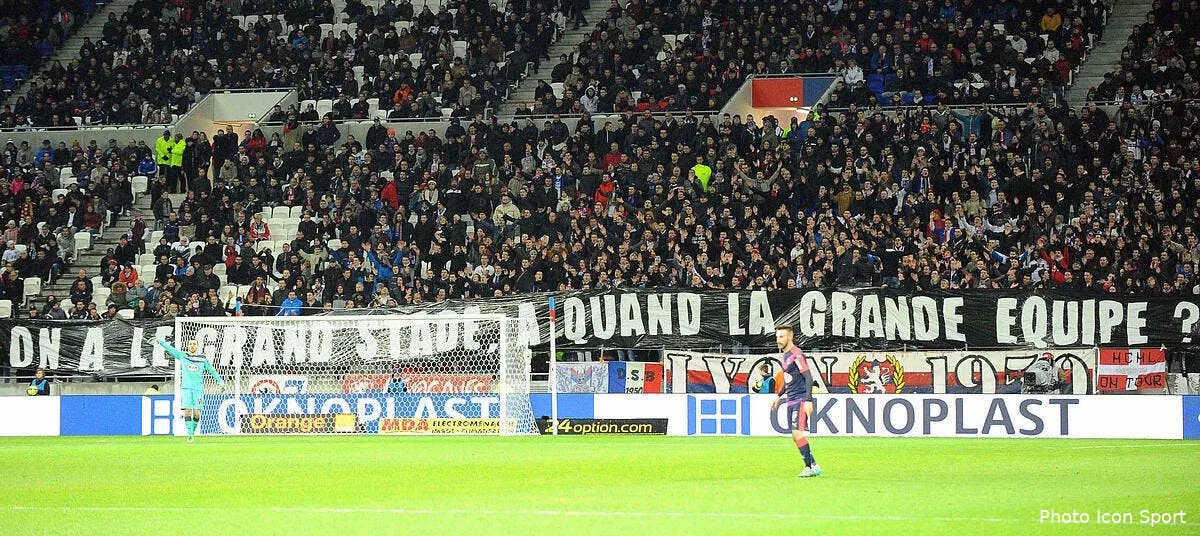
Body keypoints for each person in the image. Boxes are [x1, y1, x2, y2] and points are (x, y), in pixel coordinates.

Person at [770, 325, 821, 478]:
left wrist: (808, 400)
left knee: (797, 433)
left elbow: (808, 377)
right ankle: (814, 465)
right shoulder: (785, 356)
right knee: (795, 435)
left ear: (790, 337)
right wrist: (779, 396)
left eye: (781, 337)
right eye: (777, 337)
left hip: (800, 399)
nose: (778, 340)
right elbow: (788, 380)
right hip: (790, 399)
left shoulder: (797, 354)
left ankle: (810, 467)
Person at [156, 338, 224, 442]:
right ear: (188, 346)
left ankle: (192, 432)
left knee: (197, 413)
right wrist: (160, 342)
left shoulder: (202, 358)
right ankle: (190, 435)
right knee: (187, 411)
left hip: (198, 389)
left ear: (197, 346)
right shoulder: (183, 355)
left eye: (194, 344)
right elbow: (170, 349)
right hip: (186, 388)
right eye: (190, 344)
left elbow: (212, 371)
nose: (192, 346)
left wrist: (220, 382)